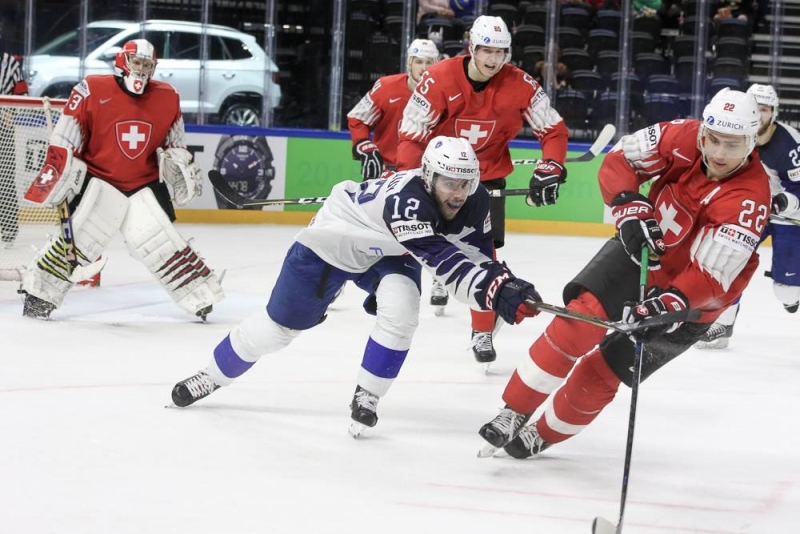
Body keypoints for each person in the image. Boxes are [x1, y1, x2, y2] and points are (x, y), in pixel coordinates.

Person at [170, 136, 543, 438]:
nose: (459, 193)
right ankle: (211, 376)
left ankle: (368, 395)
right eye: (449, 183)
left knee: (402, 310)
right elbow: (444, 264)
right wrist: (492, 291)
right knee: (277, 331)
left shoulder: (473, 201)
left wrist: (505, 282)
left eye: (466, 183)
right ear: (429, 177)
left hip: (389, 249)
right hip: (335, 241)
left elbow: (477, 256)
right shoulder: (408, 203)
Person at [478, 88, 770, 459]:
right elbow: (620, 159)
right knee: (578, 322)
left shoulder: (749, 198)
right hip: (641, 251)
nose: (718, 154)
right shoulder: (680, 135)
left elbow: (711, 277)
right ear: (702, 131)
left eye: (732, 145)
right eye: (713, 140)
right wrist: (627, 204)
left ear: (750, 142)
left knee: (605, 371)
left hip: (691, 301)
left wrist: (666, 304)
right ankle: (514, 410)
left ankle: (544, 433)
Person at [396, 15, 569, 365]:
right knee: (411, 243)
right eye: (486, 50)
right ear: (471, 47)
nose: (493, 59)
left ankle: (481, 330)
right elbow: (412, 132)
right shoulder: (439, 77)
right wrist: (410, 178)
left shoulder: (521, 83)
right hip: (438, 179)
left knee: (483, 257)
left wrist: (551, 165)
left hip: (485, 182)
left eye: (500, 51)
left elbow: (553, 130)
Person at [19, 39, 224, 320]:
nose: (141, 69)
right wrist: (61, 169)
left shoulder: (168, 97)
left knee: (161, 243)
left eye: (147, 64)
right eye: (136, 62)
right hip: (99, 180)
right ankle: (39, 296)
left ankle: (199, 296)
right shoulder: (92, 88)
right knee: (78, 242)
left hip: (144, 183)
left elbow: (176, 143)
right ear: (122, 62)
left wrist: (179, 162)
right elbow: (66, 136)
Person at [696, 84, 800, 349]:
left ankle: (792, 291)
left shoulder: (790, 144)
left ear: (773, 113)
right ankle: (722, 325)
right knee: (728, 264)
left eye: (766, 109)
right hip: (755, 210)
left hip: (791, 216)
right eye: (757, 108)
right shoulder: (735, 137)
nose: (761, 114)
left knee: (785, 290)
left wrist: (783, 201)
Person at [347, 39, 440, 181]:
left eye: (429, 62)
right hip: (384, 169)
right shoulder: (386, 87)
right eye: (419, 62)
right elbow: (358, 118)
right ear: (409, 63)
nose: (424, 68)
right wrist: (364, 146)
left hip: (424, 171)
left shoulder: (443, 94)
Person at [0, 51, 29, 248]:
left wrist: (10, 111)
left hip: (3, 127)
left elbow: (23, 95)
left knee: (5, 178)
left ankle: (8, 229)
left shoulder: (10, 62)